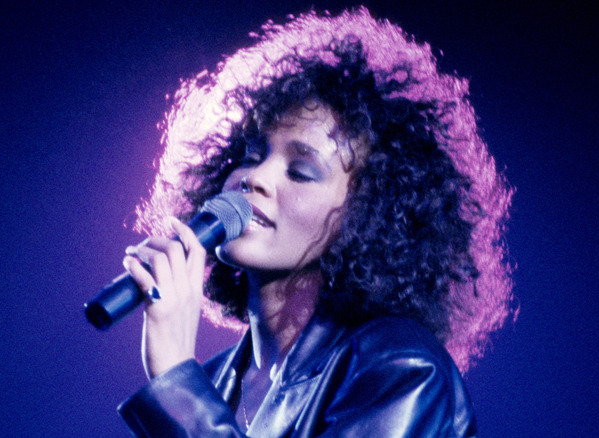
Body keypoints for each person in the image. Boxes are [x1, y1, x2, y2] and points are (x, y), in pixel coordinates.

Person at [116, 7, 513, 437]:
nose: (255, 178)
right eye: (252, 155)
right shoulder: (211, 384)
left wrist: (176, 381)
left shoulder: (400, 368)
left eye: (301, 172)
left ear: (367, 213)